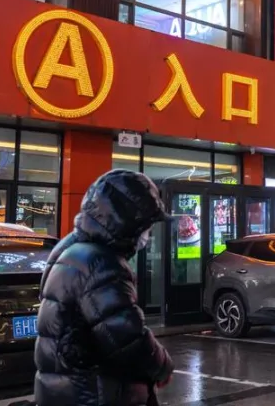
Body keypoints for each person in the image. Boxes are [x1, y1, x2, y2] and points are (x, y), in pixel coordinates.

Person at [34, 170, 175, 405]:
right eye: (146, 226)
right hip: (95, 393)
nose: (147, 236)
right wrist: (162, 366)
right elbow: (126, 337)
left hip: (65, 392)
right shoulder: (101, 263)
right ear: (127, 222)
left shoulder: (69, 248)